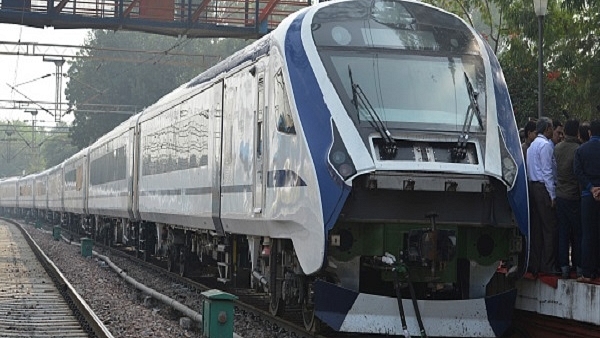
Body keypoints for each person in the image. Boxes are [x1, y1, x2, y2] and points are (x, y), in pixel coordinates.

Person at [527, 117, 559, 275]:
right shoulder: (546, 146)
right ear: (547, 128)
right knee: (549, 228)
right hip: (542, 188)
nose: (553, 130)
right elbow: (547, 172)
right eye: (552, 127)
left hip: (533, 187)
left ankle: (535, 264)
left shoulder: (532, 146)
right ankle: (548, 265)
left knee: (537, 228)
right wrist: (552, 195)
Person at [554, 119, 581, 278]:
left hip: (560, 194)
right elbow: (577, 174)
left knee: (562, 231)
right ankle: (578, 266)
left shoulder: (557, 148)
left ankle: (563, 265)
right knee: (577, 233)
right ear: (576, 132)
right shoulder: (577, 150)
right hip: (573, 196)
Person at [573, 120, 600, 282]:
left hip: (587, 196)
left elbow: (578, 171)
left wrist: (591, 188)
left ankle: (588, 273)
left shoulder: (581, 150)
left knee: (588, 234)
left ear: (589, 133)